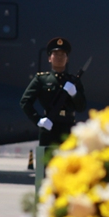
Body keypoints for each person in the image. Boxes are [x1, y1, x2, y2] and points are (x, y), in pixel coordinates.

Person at [20, 37, 87, 188]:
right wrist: (38, 120)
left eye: (63, 55)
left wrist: (74, 94)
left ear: (67, 58)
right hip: (48, 130)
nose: (59, 57)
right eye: (56, 54)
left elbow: (82, 107)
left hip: (68, 129)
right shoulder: (41, 79)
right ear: (49, 58)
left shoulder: (73, 82)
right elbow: (25, 102)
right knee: (46, 173)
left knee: (68, 171)